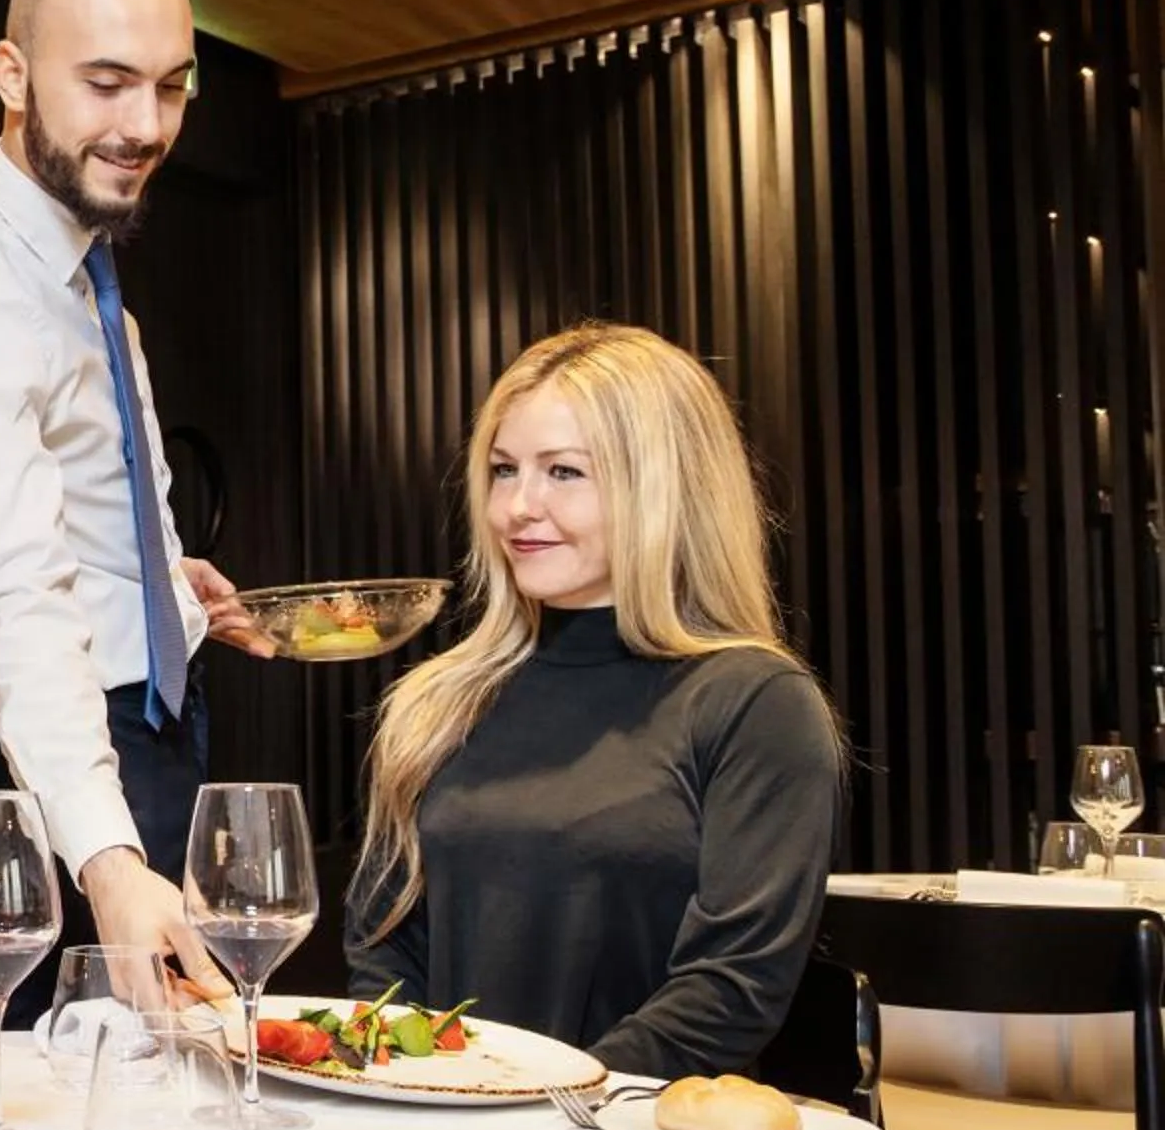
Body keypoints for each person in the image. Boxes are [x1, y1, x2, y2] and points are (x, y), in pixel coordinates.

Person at [0, 0, 270, 1004]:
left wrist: (159, 584)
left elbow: (76, 512)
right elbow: (15, 600)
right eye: (106, 83)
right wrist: (106, 860)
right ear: (13, 75)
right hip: (48, 763)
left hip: (140, 726)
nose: (146, 125)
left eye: (170, 87)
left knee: (165, 1081)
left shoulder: (84, 275)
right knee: (68, 1092)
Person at [343, 321, 845, 1078]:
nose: (518, 506)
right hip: (451, 1127)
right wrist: (422, 1091)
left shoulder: (755, 705)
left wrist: (550, 1106)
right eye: (504, 470)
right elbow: (383, 947)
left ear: (664, 487)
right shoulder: (435, 703)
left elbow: (731, 989)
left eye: (564, 472)